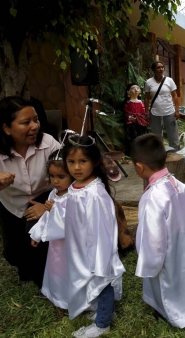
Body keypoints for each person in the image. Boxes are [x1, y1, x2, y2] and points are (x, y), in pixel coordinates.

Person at [32, 135, 125, 337]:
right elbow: (68, 219)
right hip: (80, 249)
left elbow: (103, 226)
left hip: (96, 250)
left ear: (94, 162)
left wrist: (99, 256)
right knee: (93, 284)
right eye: (71, 162)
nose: (76, 167)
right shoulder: (74, 188)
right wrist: (44, 225)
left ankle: (102, 324)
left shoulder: (95, 193)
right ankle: (104, 312)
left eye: (83, 161)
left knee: (102, 282)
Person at [0, 96, 60, 287]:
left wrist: (50, 208)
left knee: (39, 238)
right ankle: (25, 271)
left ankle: (46, 281)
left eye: (36, 119)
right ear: (6, 128)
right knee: (14, 252)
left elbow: (70, 177)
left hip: (43, 197)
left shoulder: (48, 142)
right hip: (10, 204)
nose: (35, 126)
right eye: (26, 122)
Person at [132, 134, 185, 328]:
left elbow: (152, 236)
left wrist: (148, 260)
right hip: (181, 244)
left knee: (167, 283)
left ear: (139, 167)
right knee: (183, 273)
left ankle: (173, 312)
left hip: (165, 251)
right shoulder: (178, 185)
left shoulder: (153, 196)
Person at [29, 150, 72, 309]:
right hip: (57, 246)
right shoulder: (53, 193)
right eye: (52, 176)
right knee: (58, 269)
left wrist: (56, 210)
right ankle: (60, 297)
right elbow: (46, 217)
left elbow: (72, 221)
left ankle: (74, 299)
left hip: (71, 244)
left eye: (61, 177)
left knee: (70, 270)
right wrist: (37, 233)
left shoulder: (74, 196)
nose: (55, 181)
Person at [144, 61, 180, 151]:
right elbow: (147, 98)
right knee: (156, 136)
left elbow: (175, 95)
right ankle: (158, 154)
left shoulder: (169, 81)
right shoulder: (148, 82)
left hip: (169, 112)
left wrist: (177, 110)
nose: (161, 69)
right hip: (155, 113)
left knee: (173, 136)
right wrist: (146, 112)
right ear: (153, 70)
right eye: (158, 68)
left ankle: (175, 154)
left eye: (162, 67)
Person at [123, 83, 148, 154]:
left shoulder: (141, 102)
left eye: (137, 88)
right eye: (133, 88)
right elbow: (126, 112)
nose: (136, 90)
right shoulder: (128, 103)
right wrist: (129, 117)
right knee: (132, 137)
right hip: (131, 124)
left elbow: (143, 112)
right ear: (128, 92)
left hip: (140, 123)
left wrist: (142, 117)